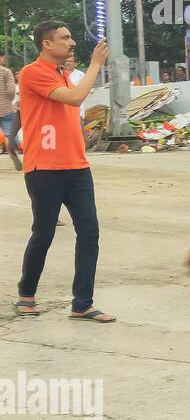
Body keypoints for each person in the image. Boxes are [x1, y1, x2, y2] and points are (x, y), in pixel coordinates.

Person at [15, 22, 114, 322]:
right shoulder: (33, 73)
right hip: (45, 168)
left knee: (89, 231)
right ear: (47, 44)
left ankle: (82, 302)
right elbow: (74, 99)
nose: (72, 43)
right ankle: (26, 294)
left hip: (77, 166)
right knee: (43, 233)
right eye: (65, 38)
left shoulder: (64, 75)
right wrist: (96, 64)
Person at [0, 50, 20, 170]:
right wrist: (9, 100)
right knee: (10, 135)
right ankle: (12, 152)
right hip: (6, 108)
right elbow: (11, 90)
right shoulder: (6, 72)